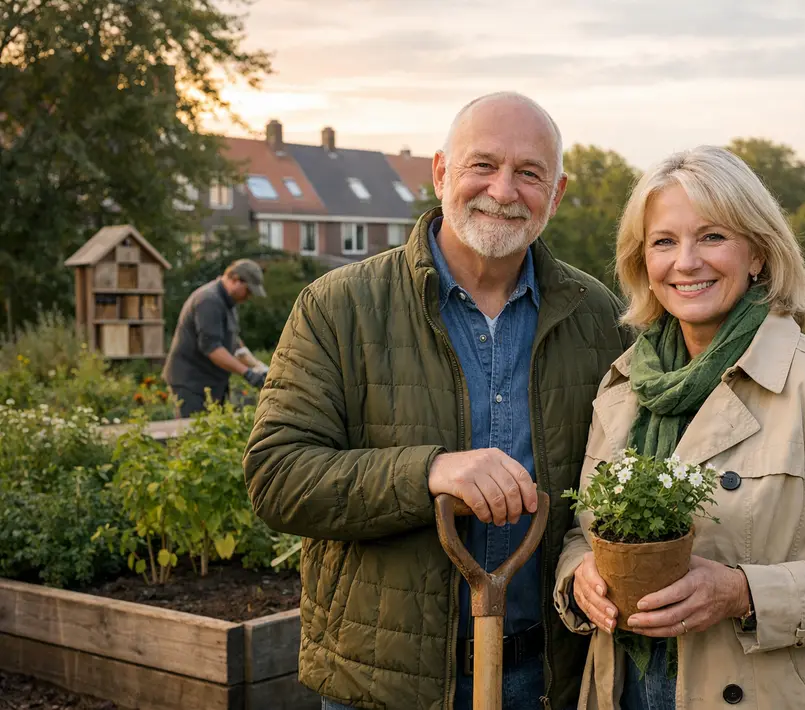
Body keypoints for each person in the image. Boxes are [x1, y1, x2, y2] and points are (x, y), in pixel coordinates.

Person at [243, 92, 632, 710]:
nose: (503, 190)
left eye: (529, 174)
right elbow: (277, 477)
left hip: (552, 677)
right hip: (384, 684)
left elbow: (627, 479)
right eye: (483, 165)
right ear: (441, 172)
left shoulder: (599, 318)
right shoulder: (338, 307)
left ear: (555, 195)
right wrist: (429, 471)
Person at [553, 146, 805, 709]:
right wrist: (580, 573)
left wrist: (742, 593)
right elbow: (585, 531)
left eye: (711, 237)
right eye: (664, 241)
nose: (686, 261)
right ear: (642, 263)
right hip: (626, 688)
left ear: (757, 253)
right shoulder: (624, 385)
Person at [162, 258, 269, 417]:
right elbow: (212, 348)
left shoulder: (228, 303)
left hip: (210, 382)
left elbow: (233, 342)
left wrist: (259, 367)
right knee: (193, 435)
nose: (249, 296)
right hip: (192, 384)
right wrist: (247, 373)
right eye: (248, 290)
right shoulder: (209, 300)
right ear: (235, 280)